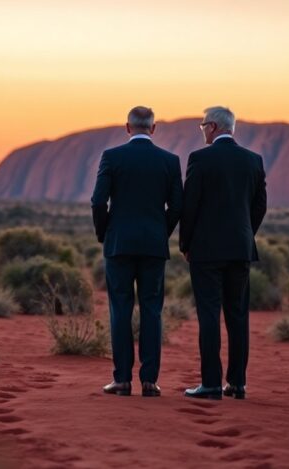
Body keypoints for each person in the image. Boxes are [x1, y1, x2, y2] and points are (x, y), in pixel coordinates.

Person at [90, 106, 183, 397]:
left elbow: (97, 202)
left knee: (120, 310)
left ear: (127, 127)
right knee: (152, 311)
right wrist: (161, 233)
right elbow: (178, 206)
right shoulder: (169, 161)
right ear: (153, 129)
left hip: (119, 245)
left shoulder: (112, 157)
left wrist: (105, 233)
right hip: (153, 246)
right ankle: (149, 381)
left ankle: (121, 380)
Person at [180, 106, 267, 400]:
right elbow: (259, 206)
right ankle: (238, 384)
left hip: (205, 252)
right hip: (240, 251)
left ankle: (211, 384)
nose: (202, 129)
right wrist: (244, 235)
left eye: (203, 125)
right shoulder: (253, 160)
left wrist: (186, 244)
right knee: (238, 317)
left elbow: (189, 206)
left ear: (214, 127)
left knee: (209, 317)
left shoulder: (200, 159)